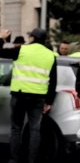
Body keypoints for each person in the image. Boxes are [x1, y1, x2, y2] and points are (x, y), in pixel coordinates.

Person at [0, 28, 57, 163]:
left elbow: (1, 52)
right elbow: (53, 80)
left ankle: (14, 159)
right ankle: (32, 160)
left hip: (19, 95)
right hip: (38, 97)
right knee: (35, 130)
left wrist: (2, 39)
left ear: (32, 38)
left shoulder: (22, 50)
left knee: (16, 129)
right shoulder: (51, 55)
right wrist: (49, 101)